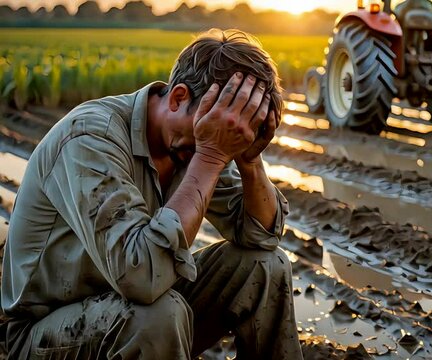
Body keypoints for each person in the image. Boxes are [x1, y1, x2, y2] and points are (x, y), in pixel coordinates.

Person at [0, 29, 303, 359]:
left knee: (265, 265)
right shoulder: (89, 138)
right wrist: (211, 155)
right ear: (177, 98)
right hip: (45, 334)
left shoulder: (192, 140)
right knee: (158, 314)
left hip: (133, 304)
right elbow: (141, 278)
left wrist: (249, 159)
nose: (217, 144)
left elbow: (262, 237)